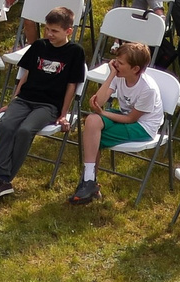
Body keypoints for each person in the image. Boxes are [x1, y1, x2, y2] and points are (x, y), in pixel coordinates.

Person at [0, 6, 86, 201]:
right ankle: (0, 177)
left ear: (68, 31)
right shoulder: (39, 45)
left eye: (55, 31)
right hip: (25, 99)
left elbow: (72, 85)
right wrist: (14, 100)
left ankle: (4, 178)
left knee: (24, 130)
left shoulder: (75, 52)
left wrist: (63, 114)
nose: (49, 34)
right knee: (6, 124)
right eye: (47, 29)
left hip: (49, 105)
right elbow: (25, 74)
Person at [69, 42, 165, 205]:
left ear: (135, 69)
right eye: (116, 61)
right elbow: (97, 103)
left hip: (143, 127)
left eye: (120, 63)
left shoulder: (148, 89)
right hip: (125, 116)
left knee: (93, 136)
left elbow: (131, 119)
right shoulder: (119, 75)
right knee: (92, 121)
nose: (115, 65)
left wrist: (103, 113)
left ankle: (88, 182)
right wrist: (111, 75)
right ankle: (89, 181)